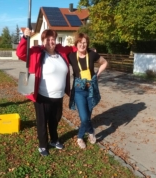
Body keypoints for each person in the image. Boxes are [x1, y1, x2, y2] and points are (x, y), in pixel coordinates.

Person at [16, 28, 76, 156]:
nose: (50, 42)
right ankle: (43, 145)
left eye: (53, 39)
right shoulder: (36, 52)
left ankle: (54, 140)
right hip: (42, 95)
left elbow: (74, 49)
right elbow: (21, 54)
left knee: (55, 119)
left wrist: (88, 51)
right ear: (43, 41)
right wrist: (25, 38)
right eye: (47, 39)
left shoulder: (61, 53)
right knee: (42, 122)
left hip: (58, 96)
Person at [68, 33, 108, 149]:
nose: (82, 45)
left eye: (85, 42)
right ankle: (83, 136)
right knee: (84, 118)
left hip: (91, 90)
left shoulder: (92, 54)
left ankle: (87, 134)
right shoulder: (71, 56)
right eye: (80, 42)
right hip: (79, 91)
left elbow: (104, 63)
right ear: (76, 44)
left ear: (87, 44)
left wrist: (98, 74)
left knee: (88, 117)